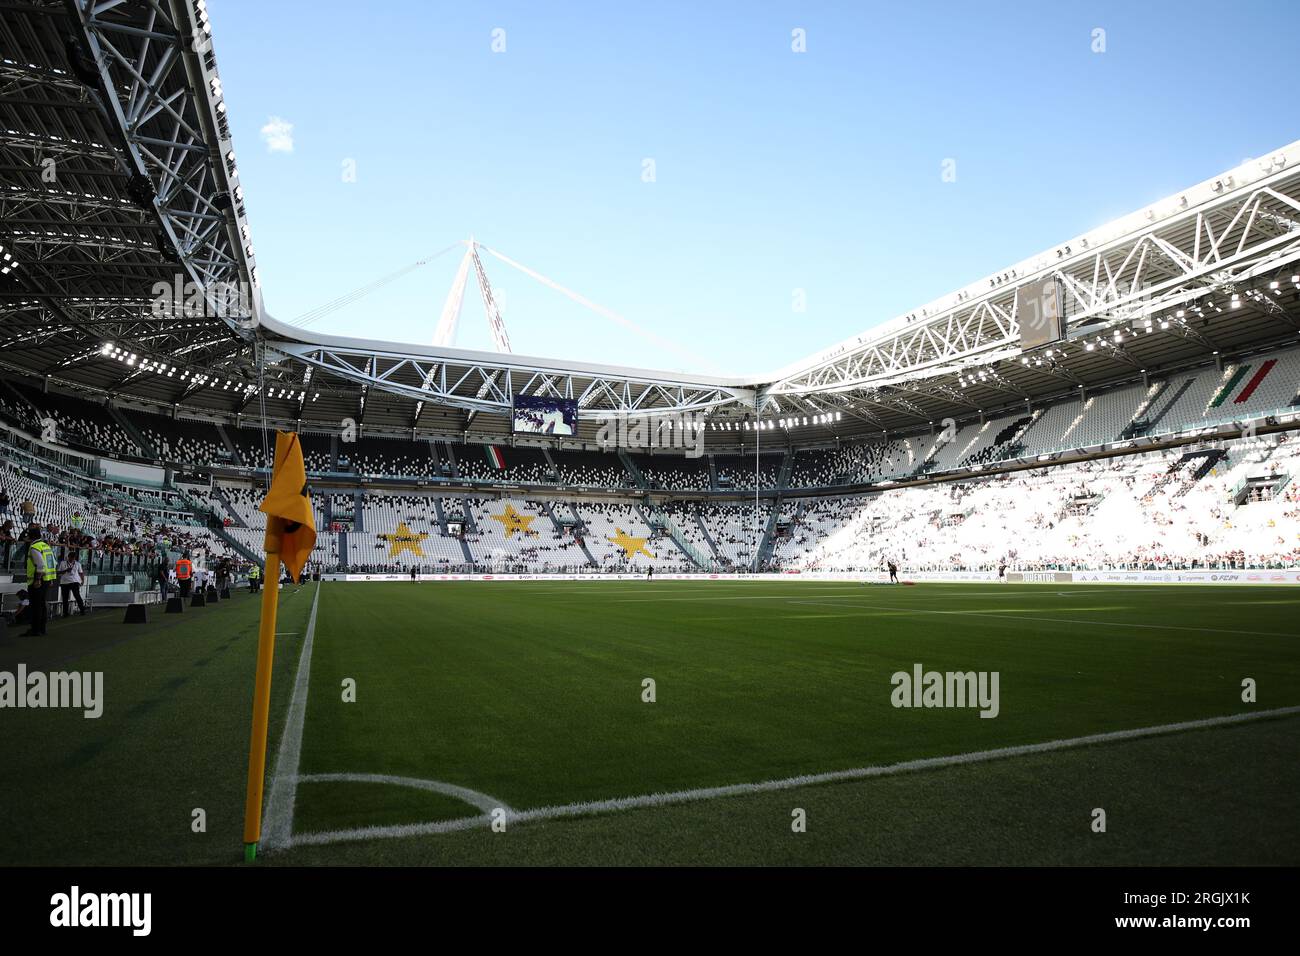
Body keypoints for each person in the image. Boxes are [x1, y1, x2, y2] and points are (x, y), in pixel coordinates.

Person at [22, 526, 57, 636]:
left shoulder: (34, 547)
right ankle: (42, 629)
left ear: (31, 536)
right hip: (46, 579)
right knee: (42, 605)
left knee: (36, 606)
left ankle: (35, 629)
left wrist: (37, 579)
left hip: (38, 580)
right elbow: (52, 563)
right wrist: (50, 579)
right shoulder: (45, 546)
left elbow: (41, 565)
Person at [57, 552, 86, 617]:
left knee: (77, 596)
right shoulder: (63, 563)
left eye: (73, 558)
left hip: (74, 581)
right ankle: (65, 613)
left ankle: (82, 610)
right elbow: (58, 572)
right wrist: (66, 570)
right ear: (68, 557)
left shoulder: (78, 564)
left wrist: (82, 580)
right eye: (71, 558)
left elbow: (81, 573)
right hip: (64, 582)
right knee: (65, 598)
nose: (72, 559)